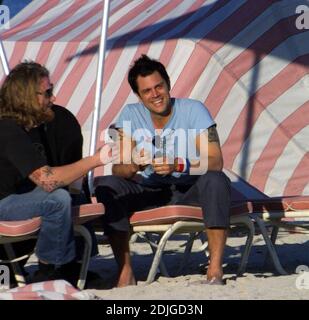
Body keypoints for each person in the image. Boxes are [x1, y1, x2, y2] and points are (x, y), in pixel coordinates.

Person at [95, 54, 231, 287]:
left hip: (189, 188)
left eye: (159, 86)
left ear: (168, 84)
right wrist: (137, 163)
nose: (155, 94)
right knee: (107, 184)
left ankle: (215, 270)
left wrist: (179, 165)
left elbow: (216, 160)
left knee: (215, 179)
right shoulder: (129, 114)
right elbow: (119, 168)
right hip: (150, 189)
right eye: (147, 91)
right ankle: (125, 271)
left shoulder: (194, 110)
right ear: (139, 95)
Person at [0, 61, 117, 283]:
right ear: (26, 97)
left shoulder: (21, 128)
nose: (53, 98)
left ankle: (73, 265)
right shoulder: (8, 129)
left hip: (12, 198)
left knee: (72, 194)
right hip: (3, 203)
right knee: (57, 198)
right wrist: (96, 160)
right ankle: (51, 269)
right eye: (48, 92)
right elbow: (47, 180)